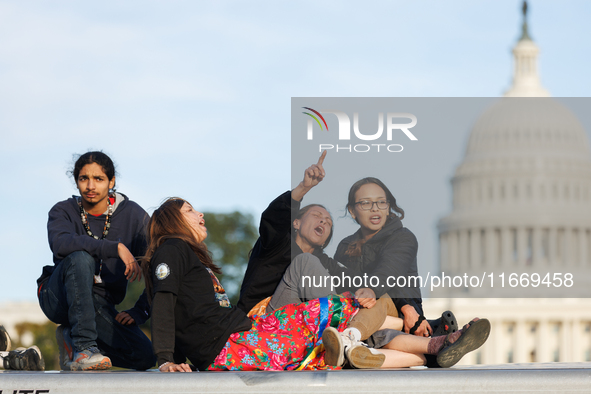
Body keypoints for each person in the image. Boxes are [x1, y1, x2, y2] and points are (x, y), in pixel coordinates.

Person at [143, 198, 490, 372]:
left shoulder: (185, 256)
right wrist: (164, 359)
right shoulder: (175, 248)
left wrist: (407, 304)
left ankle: (429, 350)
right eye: (190, 211)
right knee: (375, 309)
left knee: (344, 343)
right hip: (244, 335)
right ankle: (413, 339)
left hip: (243, 341)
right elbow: (165, 300)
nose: (199, 215)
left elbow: (178, 308)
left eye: (329, 219)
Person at [36, 151, 156, 371]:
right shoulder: (63, 210)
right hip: (57, 297)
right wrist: (115, 247)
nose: (90, 186)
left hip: (98, 304)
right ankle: (84, 349)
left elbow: (157, 268)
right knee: (80, 258)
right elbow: (61, 243)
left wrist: (140, 310)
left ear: (111, 181)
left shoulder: (134, 216)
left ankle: (71, 339)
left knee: (145, 357)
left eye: (98, 179)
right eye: (84, 179)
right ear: (76, 181)